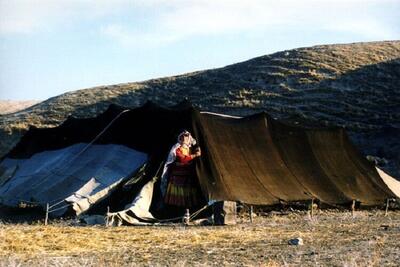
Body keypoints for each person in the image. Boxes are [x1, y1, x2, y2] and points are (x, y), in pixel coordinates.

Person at [162, 130, 202, 208]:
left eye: (186, 137)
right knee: (178, 190)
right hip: (178, 174)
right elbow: (182, 159)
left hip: (187, 173)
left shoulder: (190, 149)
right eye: (183, 137)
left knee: (187, 190)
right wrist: (195, 155)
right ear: (180, 138)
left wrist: (197, 150)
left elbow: (196, 148)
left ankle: (186, 207)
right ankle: (176, 207)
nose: (185, 138)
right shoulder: (177, 148)